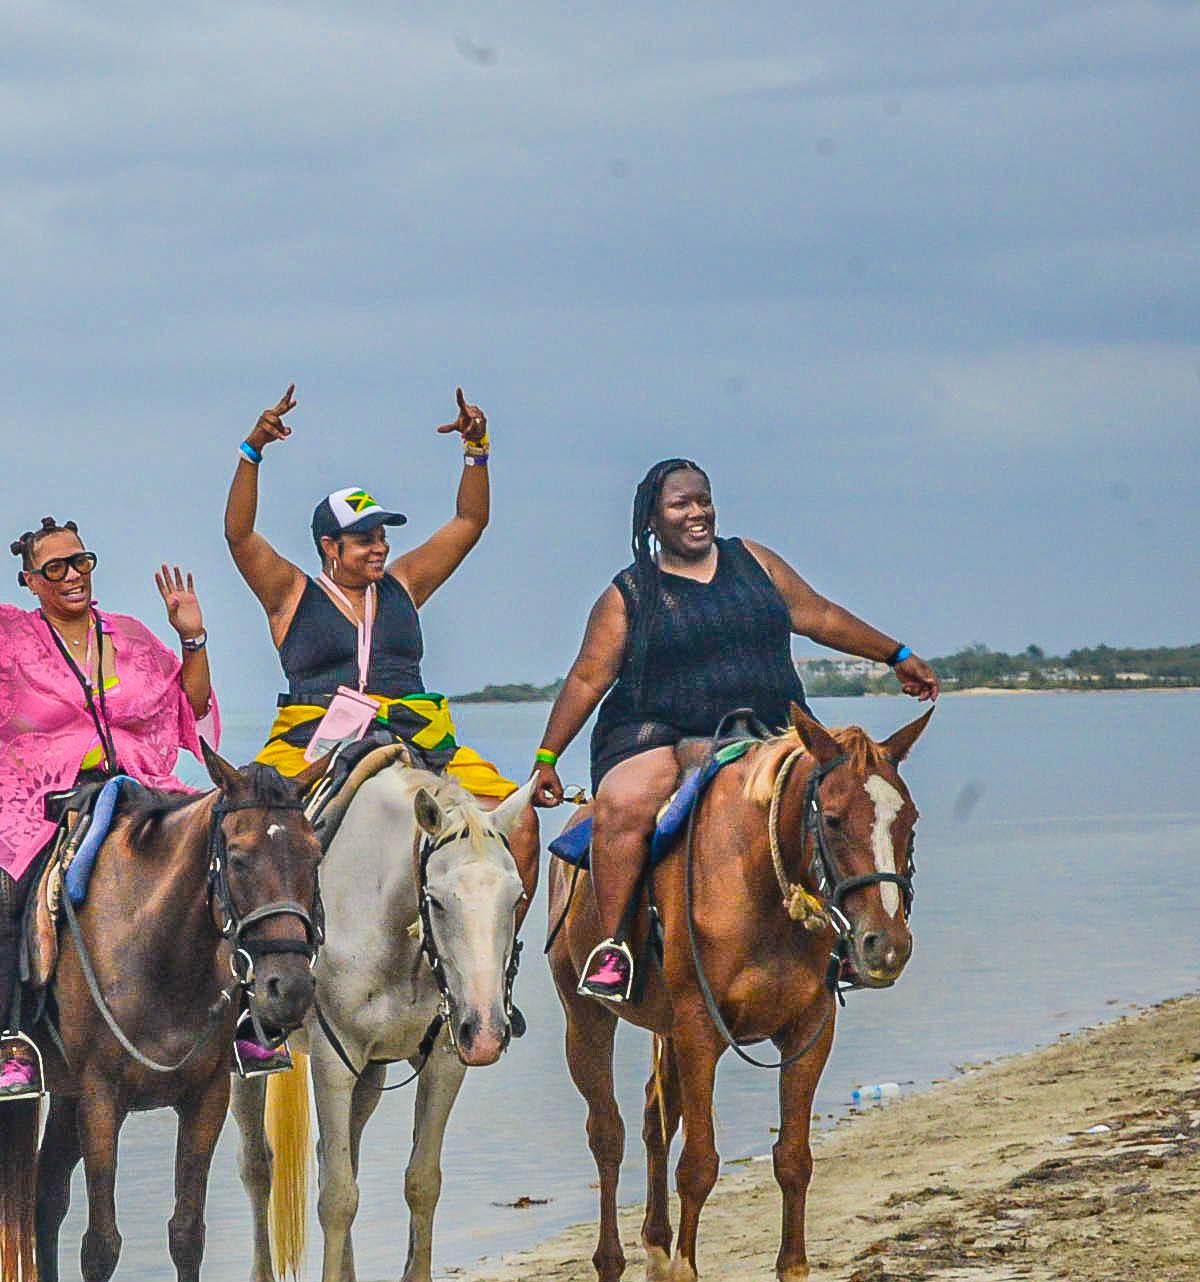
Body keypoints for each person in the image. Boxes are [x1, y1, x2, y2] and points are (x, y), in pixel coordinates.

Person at [528, 459, 937, 1003]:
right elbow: (587, 678)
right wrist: (547, 756)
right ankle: (614, 947)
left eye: (704, 500)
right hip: (660, 733)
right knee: (624, 805)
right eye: (680, 504)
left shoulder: (754, 562)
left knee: (849, 800)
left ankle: (844, 937)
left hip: (771, 729)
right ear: (652, 518)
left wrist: (895, 654)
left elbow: (819, 615)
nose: (697, 513)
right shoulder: (629, 594)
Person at [0, 442, 254, 1103]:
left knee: (231, 850)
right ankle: (10, 1042)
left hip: (139, 790)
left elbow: (188, 706)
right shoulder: (3, 632)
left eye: (81, 561)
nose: (73, 574)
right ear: (30, 580)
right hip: (32, 802)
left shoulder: (129, 636)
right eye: (56, 567)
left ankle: (248, 1020)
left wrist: (191, 636)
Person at [222, 385, 516, 795]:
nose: (380, 548)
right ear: (330, 547)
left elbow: (470, 521)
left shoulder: (405, 583)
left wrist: (476, 449)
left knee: (516, 815)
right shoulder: (290, 595)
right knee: (256, 809)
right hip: (310, 742)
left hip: (415, 737)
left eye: (382, 537)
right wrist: (252, 451)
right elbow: (239, 535)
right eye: (365, 540)